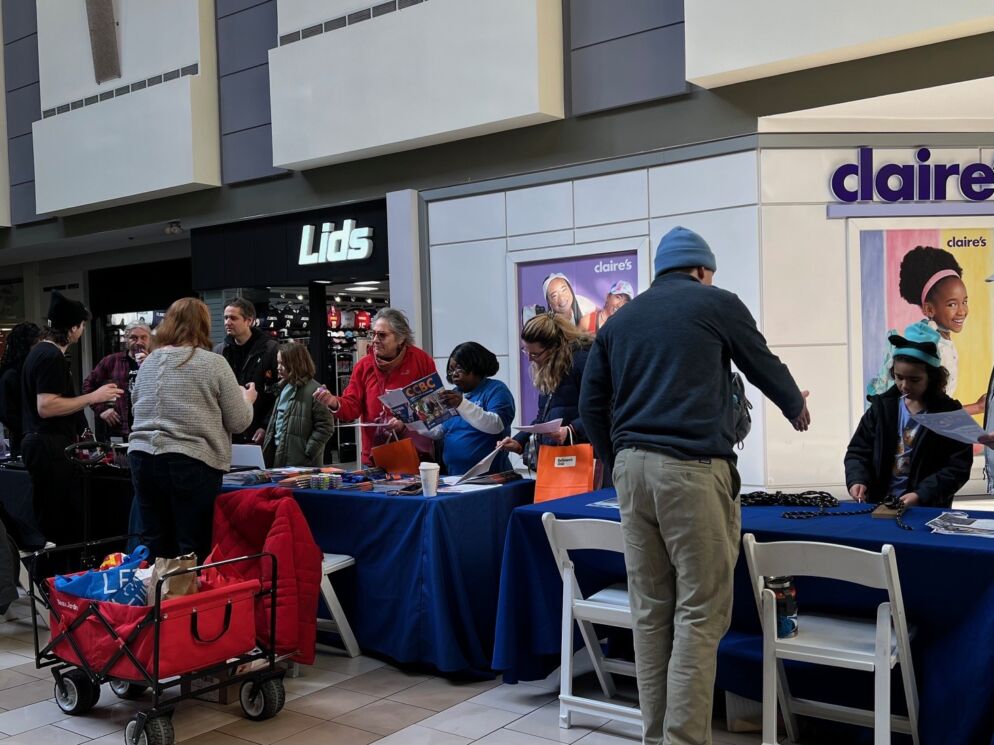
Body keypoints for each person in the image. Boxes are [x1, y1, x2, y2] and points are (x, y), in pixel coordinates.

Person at [578, 226, 810, 745]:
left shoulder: (621, 321)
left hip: (632, 476)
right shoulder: (716, 303)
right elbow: (761, 362)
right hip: (690, 469)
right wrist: (795, 404)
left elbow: (591, 405)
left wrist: (619, 460)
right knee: (700, 614)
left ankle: (656, 736)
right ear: (702, 270)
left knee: (651, 611)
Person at [130, 297, 256, 562]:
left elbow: (136, 407)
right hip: (191, 461)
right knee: (192, 546)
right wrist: (248, 400)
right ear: (203, 325)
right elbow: (238, 421)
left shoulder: (149, 363)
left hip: (142, 458)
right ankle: (190, 603)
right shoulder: (213, 363)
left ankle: (156, 601)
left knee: (154, 542)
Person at [21, 292, 123, 547]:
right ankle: (56, 575)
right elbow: (46, 406)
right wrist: (93, 397)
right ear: (74, 327)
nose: (83, 330)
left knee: (53, 517)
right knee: (58, 521)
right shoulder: (50, 356)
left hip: (41, 443)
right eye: (83, 325)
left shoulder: (40, 354)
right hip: (49, 446)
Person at [846, 321, 971, 509]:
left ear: (932, 377)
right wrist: (857, 479)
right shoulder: (881, 409)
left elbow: (957, 467)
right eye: (899, 377)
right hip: (878, 505)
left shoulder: (950, 413)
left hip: (927, 510)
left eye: (914, 380)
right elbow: (858, 451)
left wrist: (922, 495)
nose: (905, 386)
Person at [314, 308, 436, 466]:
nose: (375, 340)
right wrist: (333, 402)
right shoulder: (364, 366)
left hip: (416, 454)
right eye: (373, 334)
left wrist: (406, 422)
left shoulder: (421, 360)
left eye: (382, 335)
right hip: (375, 456)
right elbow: (352, 407)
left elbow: (434, 407)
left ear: (400, 338)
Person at [498, 313, 592, 461]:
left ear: (555, 347)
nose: (529, 359)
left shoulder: (581, 361)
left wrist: (571, 430)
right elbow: (544, 417)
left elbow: (601, 408)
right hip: (556, 457)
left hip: (583, 456)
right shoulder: (550, 368)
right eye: (526, 351)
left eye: (535, 354)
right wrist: (519, 441)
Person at [429, 342, 515, 475]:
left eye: (460, 368)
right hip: (455, 477)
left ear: (476, 366)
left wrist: (462, 404)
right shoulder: (453, 394)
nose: (454, 374)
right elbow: (438, 432)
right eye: (451, 370)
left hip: (491, 478)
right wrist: (411, 423)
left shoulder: (496, 389)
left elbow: (496, 425)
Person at [213, 298, 278, 444]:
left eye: (233, 318)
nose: (227, 322)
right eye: (225, 317)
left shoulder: (270, 349)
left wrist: (266, 426)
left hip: (258, 429)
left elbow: (278, 391)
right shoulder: (219, 351)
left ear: (249, 321)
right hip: (228, 431)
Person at [262, 343, 334, 467]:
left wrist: (308, 453)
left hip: (301, 465)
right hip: (279, 457)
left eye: (282, 364)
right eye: (278, 363)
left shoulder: (316, 390)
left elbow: (326, 427)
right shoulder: (282, 387)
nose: (278, 368)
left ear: (295, 364)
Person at [82, 321, 150, 440]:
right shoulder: (113, 361)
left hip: (149, 429)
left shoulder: (157, 361)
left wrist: (150, 364)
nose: (139, 342)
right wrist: (102, 410)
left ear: (149, 339)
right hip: (120, 429)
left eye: (143, 337)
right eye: (134, 338)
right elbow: (88, 385)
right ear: (126, 339)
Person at [0, 322, 42, 455]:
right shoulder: (10, 376)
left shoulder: (32, 371)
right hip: (23, 444)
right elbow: (7, 414)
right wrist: (33, 429)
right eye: (36, 344)